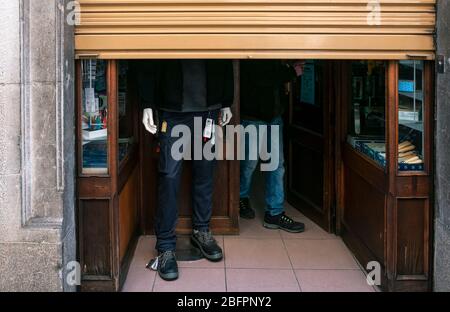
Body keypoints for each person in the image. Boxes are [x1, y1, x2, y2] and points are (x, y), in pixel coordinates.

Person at [137, 60, 234, 281]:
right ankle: (165, 246)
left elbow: (226, 53)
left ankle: (201, 230)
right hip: (172, 111)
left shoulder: (215, 25)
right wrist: (147, 103)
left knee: (205, 172)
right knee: (169, 176)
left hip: (208, 110)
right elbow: (147, 58)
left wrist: (226, 101)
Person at [239, 60, 305, 233]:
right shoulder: (253, 51)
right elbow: (263, 76)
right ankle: (240, 197)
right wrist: (291, 71)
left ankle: (274, 213)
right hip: (252, 117)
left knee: (275, 166)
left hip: (273, 117)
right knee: (249, 164)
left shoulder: (276, 53)